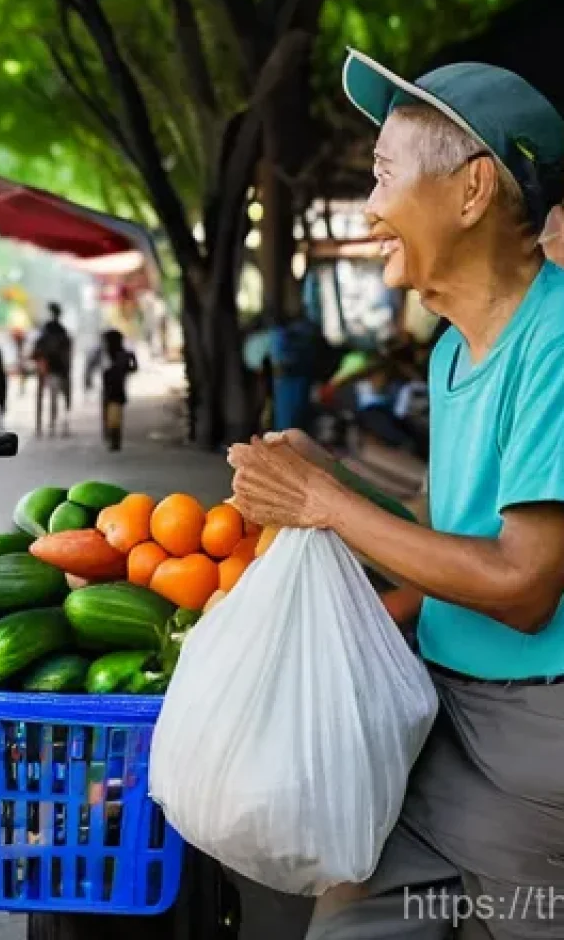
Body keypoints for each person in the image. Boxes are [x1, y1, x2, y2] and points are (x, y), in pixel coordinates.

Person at [229, 49, 564, 939]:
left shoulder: (556, 340)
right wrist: (321, 474)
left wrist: (324, 505)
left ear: (472, 191)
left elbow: (524, 584)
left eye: (384, 176)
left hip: (536, 748)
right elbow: (436, 526)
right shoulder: (455, 347)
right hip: (443, 719)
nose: (371, 209)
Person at [85, 329, 138, 451]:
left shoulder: (118, 354)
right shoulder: (110, 354)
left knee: (113, 414)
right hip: (113, 389)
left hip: (114, 390)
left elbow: (133, 367)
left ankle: (113, 437)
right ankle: (112, 436)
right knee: (113, 414)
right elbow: (91, 366)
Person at [31, 301, 73, 437]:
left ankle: (40, 426)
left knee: (41, 398)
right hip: (58, 369)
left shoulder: (45, 331)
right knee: (54, 399)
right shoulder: (63, 332)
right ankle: (52, 425)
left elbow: (36, 350)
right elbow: (67, 354)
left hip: (45, 368)